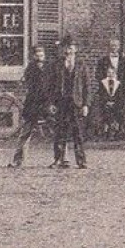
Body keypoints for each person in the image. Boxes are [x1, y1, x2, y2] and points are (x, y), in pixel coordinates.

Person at [47, 36, 90, 169]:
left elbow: (87, 86)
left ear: (75, 49)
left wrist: (86, 105)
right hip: (61, 103)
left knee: (78, 133)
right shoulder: (57, 64)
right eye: (66, 48)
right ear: (62, 49)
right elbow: (51, 86)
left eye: (71, 48)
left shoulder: (81, 65)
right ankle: (58, 159)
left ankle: (81, 161)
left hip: (76, 103)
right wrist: (51, 103)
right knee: (60, 133)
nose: (68, 51)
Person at [9, 44, 51, 168]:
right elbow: (30, 85)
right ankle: (18, 160)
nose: (40, 58)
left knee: (59, 130)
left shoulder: (50, 68)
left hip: (47, 103)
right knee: (25, 132)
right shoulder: (30, 69)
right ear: (33, 57)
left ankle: (62, 159)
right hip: (33, 104)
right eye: (37, 55)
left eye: (42, 55)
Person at [93, 37, 125, 138]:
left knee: (119, 109)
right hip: (106, 88)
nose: (114, 48)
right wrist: (106, 80)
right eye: (112, 46)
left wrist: (124, 84)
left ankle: (118, 131)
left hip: (119, 89)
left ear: (119, 47)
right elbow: (98, 75)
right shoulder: (102, 61)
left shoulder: (124, 61)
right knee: (106, 109)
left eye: (116, 46)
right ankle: (106, 131)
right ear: (109, 47)